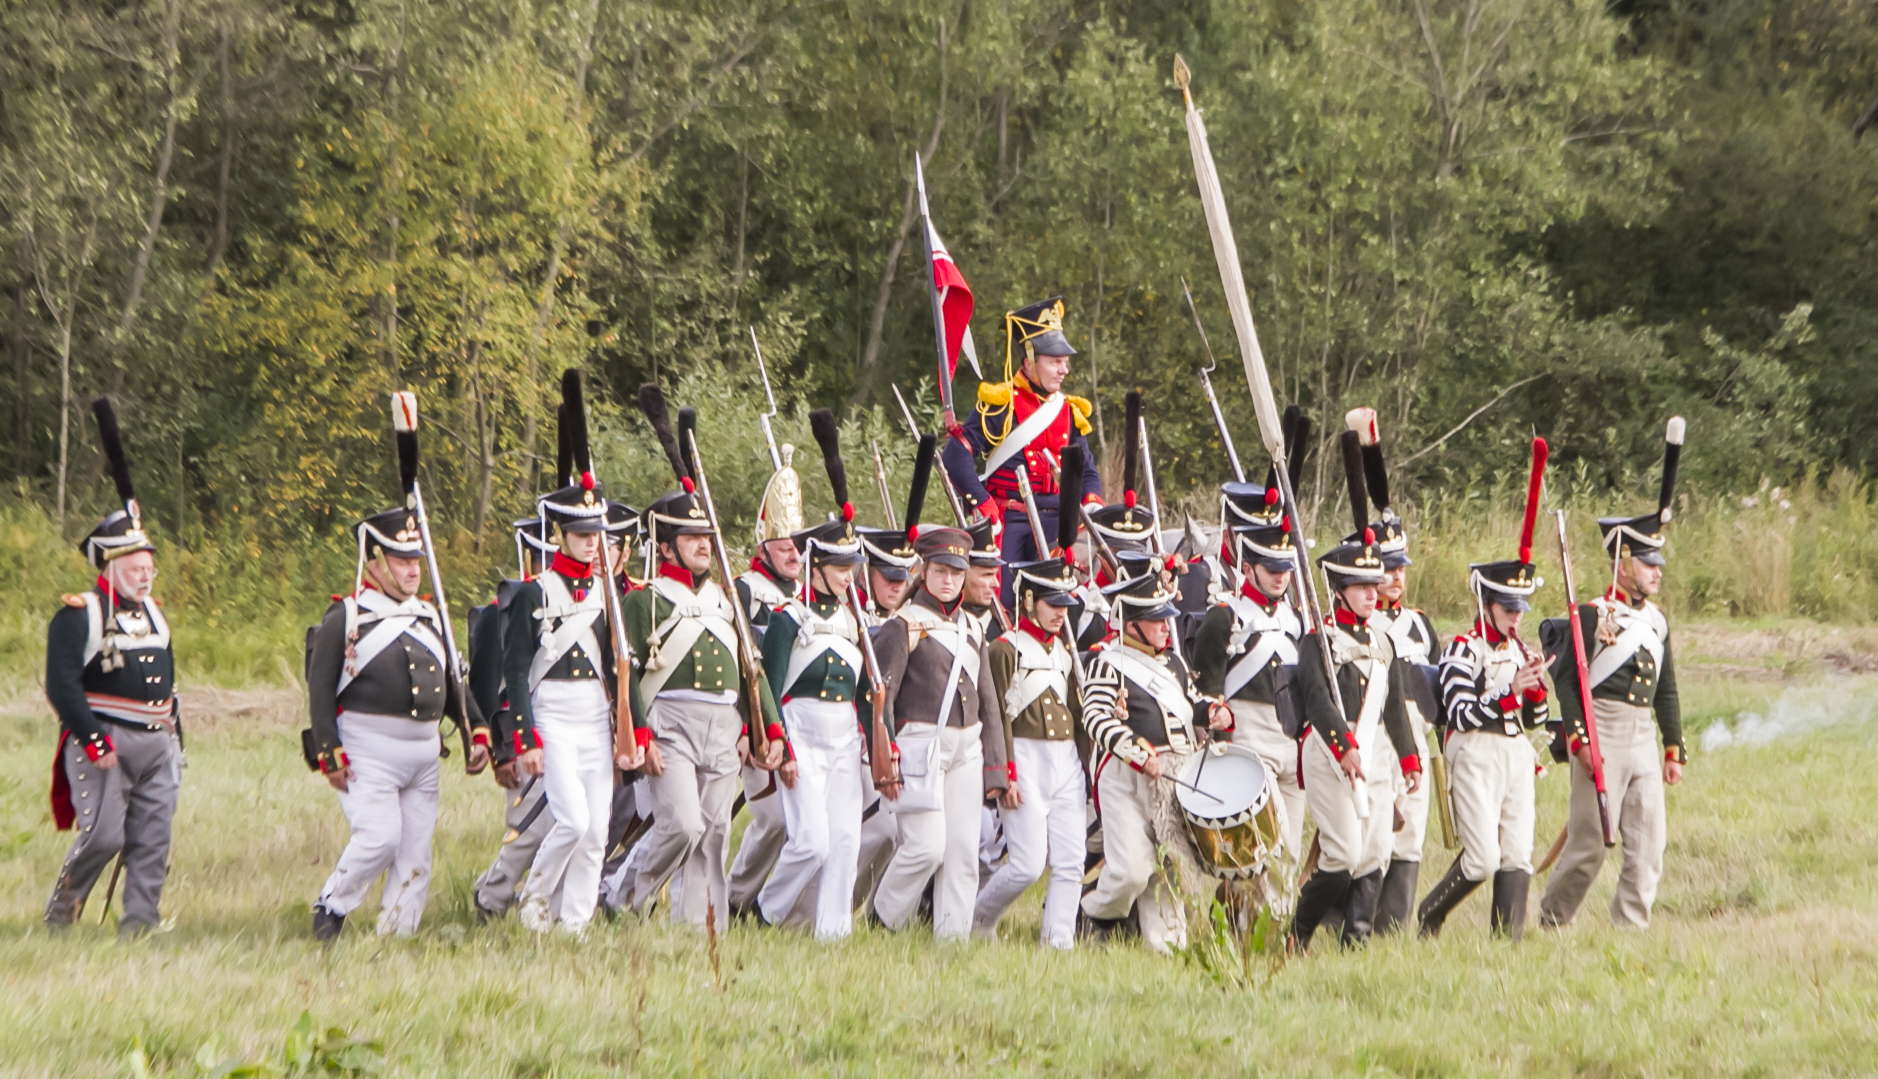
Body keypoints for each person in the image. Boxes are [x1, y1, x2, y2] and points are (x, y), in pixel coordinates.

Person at [610, 486, 783, 931]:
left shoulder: (727, 600)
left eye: (707, 536)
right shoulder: (643, 601)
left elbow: (751, 667)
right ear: (666, 547)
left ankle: (701, 926)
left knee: (715, 834)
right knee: (684, 825)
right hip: (670, 724)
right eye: (692, 537)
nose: (705, 544)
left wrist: (765, 729)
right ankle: (630, 899)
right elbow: (626, 676)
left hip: (726, 725)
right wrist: (641, 734)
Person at [307, 503, 482, 939]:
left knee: (416, 852)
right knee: (379, 838)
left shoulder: (430, 617)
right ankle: (332, 906)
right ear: (375, 562)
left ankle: (396, 933)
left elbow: (452, 682)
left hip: (423, 750)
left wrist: (474, 729)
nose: (412, 570)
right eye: (402, 561)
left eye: (415, 561)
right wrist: (329, 752)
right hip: (368, 747)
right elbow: (320, 690)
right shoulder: (346, 616)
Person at [44, 400, 182, 935]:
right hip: (104, 739)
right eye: (135, 567)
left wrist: (175, 736)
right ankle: (65, 907)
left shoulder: (156, 614)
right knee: (104, 836)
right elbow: (62, 684)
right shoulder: (78, 613)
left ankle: (140, 923)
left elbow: (167, 680)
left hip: (157, 740)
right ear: (109, 565)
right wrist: (93, 739)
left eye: (149, 566)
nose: (146, 576)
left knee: (153, 837)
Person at [1539, 493, 1686, 930]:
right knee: (1589, 846)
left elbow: (1667, 688)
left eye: (1657, 563)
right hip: (1600, 732)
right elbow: (1566, 681)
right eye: (1647, 562)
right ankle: (1552, 919)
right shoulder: (1592, 614)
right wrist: (1579, 741)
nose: (1657, 571)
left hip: (1642, 738)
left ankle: (1630, 929)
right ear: (1622, 565)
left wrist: (1673, 745)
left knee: (1648, 845)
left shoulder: (1657, 622)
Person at [1078, 573, 1231, 953]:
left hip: (1176, 773)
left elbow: (1191, 700)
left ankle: (1165, 946)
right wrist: (1135, 751)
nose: (1167, 627)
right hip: (1126, 776)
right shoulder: (1106, 663)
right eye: (1157, 620)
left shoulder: (1174, 663)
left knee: (1173, 868)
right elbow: (1095, 717)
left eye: (1167, 618)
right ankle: (1093, 915)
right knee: (1132, 870)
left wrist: (1212, 710)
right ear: (1131, 625)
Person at [1287, 531, 1423, 950]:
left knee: (1377, 852)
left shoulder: (1383, 642)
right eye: (1361, 587)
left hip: (1377, 749)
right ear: (1339, 591)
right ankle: (1299, 932)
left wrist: (1410, 760)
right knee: (1344, 852)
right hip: (1331, 748)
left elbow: (1395, 707)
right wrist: (1344, 746)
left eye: (1373, 584)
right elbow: (1315, 700)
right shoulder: (1318, 641)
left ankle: (1356, 943)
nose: (1372, 593)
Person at [502, 474, 625, 937]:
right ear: (559, 537)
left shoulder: (606, 592)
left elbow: (615, 666)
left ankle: (576, 923)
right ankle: (534, 896)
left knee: (596, 832)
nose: (593, 545)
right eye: (582, 536)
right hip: (551, 713)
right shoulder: (533, 592)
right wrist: (525, 737)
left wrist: (627, 730)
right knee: (572, 821)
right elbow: (515, 671)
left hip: (595, 714)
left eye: (597, 535)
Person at [869, 527, 1007, 940]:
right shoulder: (903, 625)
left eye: (957, 572)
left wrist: (997, 768)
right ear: (924, 570)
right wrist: (884, 755)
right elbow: (879, 700)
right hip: (919, 747)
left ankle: (953, 942)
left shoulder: (973, 628)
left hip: (967, 748)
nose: (949, 580)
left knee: (963, 852)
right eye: (941, 571)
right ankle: (884, 921)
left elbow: (989, 702)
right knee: (926, 847)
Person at [1419, 560, 1549, 938]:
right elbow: (1460, 713)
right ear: (1486, 604)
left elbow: (1537, 717)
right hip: (1476, 753)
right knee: (1482, 859)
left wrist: (1536, 686)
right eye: (1508, 609)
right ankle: (1430, 913)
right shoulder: (1463, 649)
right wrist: (1511, 692)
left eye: (1519, 610)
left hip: (1516, 753)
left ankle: (1505, 944)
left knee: (1518, 853)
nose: (1516, 618)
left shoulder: (1519, 650)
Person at [753, 517, 867, 937]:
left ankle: (833, 933)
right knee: (812, 841)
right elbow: (770, 687)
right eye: (840, 568)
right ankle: (768, 909)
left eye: (851, 568)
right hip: (801, 734)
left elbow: (867, 694)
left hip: (844, 740)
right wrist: (782, 744)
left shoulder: (855, 623)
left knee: (845, 842)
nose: (848, 577)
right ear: (814, 568)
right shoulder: (789, 619)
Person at [940, 297, 1103, 583]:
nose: (1064, 370)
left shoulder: (1069, 411)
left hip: (1059, 524)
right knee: (1002, 596)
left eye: (1064, 362)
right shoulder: (1001, 403)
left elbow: (1086, 469)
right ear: (1028, 360)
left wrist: (1091, 503)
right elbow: (955, 454)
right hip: (1011, 521)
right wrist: (983, 503)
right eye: (1055, 362)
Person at [972, 557, 1084, 948]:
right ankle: (978, 919)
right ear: (1030, 599)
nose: (1060, 613)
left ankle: (1059, 942)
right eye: (1053, 603)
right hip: (1025, 759)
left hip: (1065, 760)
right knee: (1027, 865)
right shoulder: (1004, 650)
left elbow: (1075, 712)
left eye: (1064, 605)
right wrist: (1005, 775)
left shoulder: (1065, 654)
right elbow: (996, 715)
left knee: (1071, 861)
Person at [1191, 512, 1305, 860]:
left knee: (1290, 854)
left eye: (1285, 569)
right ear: (1249, 566)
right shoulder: (1224, 616)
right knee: (1265, 849)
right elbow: (1205, 692)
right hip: (1249, 739)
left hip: (1291, 739)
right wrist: (1222, 750)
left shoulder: (1297, 619)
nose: (1281, 577)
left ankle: (1270, 916)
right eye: (1272, 569)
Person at [725, 447, 806, 917]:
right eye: (783, 544)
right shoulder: (745, 590)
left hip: (796, 722)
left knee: (793, 822)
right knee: (773, 818)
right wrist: (745, 727)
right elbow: (740, 661)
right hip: (750, 720)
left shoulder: (810, 594)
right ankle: (736, 896)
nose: (794, 552)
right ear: (764, 547)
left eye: (798, 542)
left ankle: (759, 897)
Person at [469, 517, 556, 921]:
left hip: (569, 728)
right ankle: (492, 895)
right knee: (529, 829)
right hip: (520, 737)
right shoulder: (500, 611)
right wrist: (502, 752)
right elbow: (488, 685)